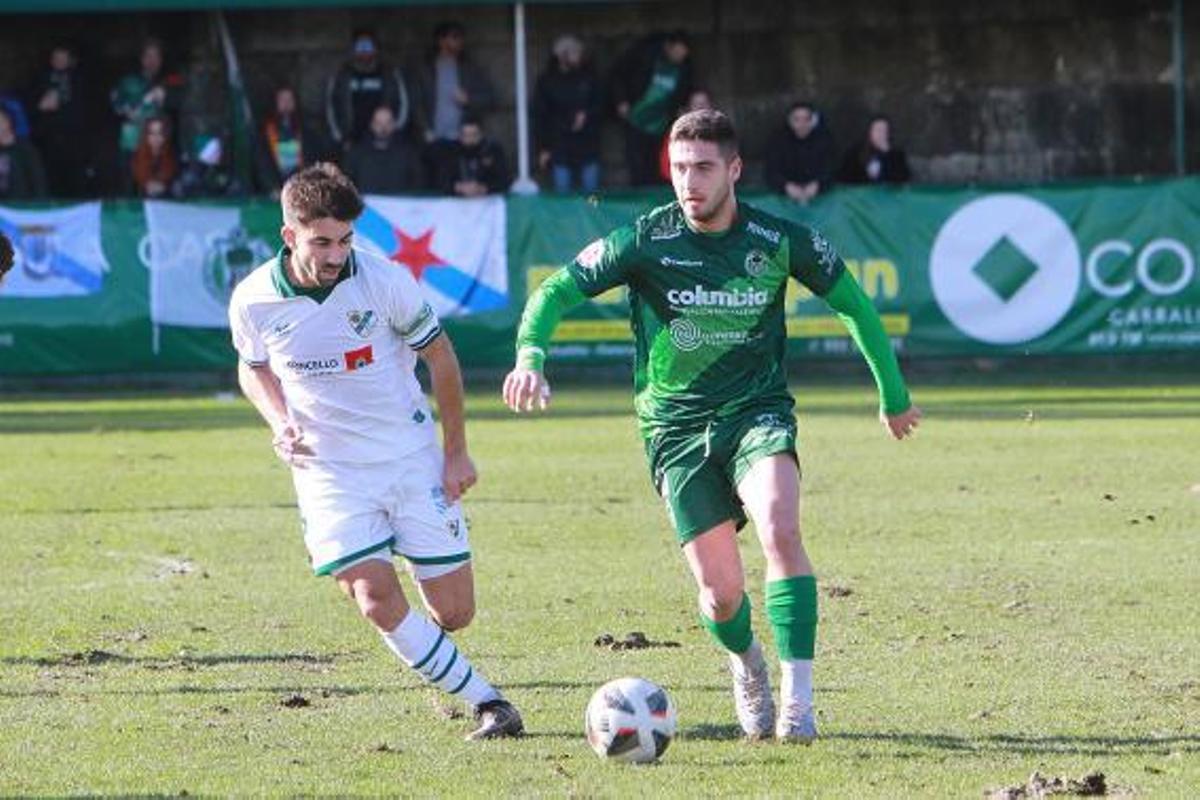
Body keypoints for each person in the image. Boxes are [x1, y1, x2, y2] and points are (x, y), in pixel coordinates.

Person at [503, 110, 920, 743]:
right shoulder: (645, 240)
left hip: (757, 412)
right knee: (721, 595)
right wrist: (530, 355)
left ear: (734, 169)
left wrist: (893, 395)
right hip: (675, 429)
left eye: (701, 168)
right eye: (678, 168)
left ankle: (799, 702)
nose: (688, 182)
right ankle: (747, 661)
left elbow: (855, 306)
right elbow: (554, 293)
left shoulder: (779, 240)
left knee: (781, 526)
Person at [228, 163, 522, 741]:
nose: (336, 255)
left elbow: (441, 358)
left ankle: (416, 569)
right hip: (328, 470)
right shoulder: (254, 299)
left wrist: (455, 453)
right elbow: (252, 365)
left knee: (453, 614)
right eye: (321, 242)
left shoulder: (384, 280)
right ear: (290, 236)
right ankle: (490, 703)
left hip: (409, 456)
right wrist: (279, 419)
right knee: (372, 594)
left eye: (344, 240)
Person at [610, 30, 693, 186]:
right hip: (636, 121)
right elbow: (618, 76)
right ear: (669, 46)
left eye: (684, 54)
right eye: (678, 51)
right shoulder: (645, 56)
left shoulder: (684, 67)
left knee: (660, 169)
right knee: (637, 168)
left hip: (662, 125)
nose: (680, 57)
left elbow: (684, 92)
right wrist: (621, 101)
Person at [110, 37, 185, 194]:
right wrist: (125, 109)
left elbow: (181, 99)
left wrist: (164, 95)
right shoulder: (129, 80)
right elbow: (115, 100)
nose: (152, 60)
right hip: (133, 141)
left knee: (160, 189)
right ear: (142, 58)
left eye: (156, 56)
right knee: (130, 185)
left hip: (160, 144)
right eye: (148, 56)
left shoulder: (171, 78)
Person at [532, 34, 603, 194]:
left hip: (588, 146)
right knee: (562, 194)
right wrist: (542, 147)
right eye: (573, 53)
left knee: (592, 196)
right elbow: (540, 116)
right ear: (561, 55)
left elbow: (600, 104)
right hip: (560, 147)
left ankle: (592, 217)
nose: (578, 57)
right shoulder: (547, 81)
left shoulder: (590, 77)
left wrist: (587, 115)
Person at [325, 29, 411, 153]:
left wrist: (395, 132)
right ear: (353, 49)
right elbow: (331, 105)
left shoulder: (389, 73)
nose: (364, 50)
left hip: (383, 138)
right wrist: (339, 137)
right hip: (351, 140)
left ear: (375, 49)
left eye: (368, 46)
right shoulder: (341, 75)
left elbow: (403, 104)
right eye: (360, 46)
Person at [413, 21, 495, 149]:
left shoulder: (470, 68)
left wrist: (468, 99)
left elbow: (489, 97)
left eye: (461, 37)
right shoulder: (424, 69)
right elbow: (416, 102)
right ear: (441, 40)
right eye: (455, 37)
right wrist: (425, 130)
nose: (460, 41)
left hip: (463, 140)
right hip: (432, 139)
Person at [30, 43, 93, 197]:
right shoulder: (41, 79)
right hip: (49, 140)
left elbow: (86, 109)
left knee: (76, 182)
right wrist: (40, 106)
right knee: (51, 180)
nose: (59, 61)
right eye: (56, 57)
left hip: (74, 140)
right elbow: (31, 106)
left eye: (63, 57)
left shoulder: (80, 80)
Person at [764, 102, 837, 204]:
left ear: (813, 121)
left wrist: (818, 184)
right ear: (790, 121)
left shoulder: (825, 140)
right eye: (797, 119)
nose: (802, 124)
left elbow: (832, 168)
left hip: (819, 199)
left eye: (806, 119)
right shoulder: (778, 141)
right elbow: (771, 171)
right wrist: (786, 186)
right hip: (785, 199)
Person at [256, 85, 321, 196]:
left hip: (302, 188)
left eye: (289, 100)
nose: (286, 104)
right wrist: (272, 186)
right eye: (282, 100)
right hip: (275, 189)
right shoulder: (265, 131)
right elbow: (262, 162)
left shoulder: (305, 129)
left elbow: (312, 158)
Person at [345, 105, 423, 195]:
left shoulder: (408, 154)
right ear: (372, 125)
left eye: (388, 123)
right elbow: (347, 184)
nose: (383, 128)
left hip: (399, 205)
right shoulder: (356, 154)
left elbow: (418, 183)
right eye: (378, 123)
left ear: (394, 124)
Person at [430, 117, 509, 197]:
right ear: (460, 136)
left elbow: (504, 180)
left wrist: (484, 188)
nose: (470, 140)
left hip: (487, 202)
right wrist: (459, 187)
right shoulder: (451, 151)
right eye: (466, 135)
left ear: (481, 134)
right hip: (456, 203)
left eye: (474, 135)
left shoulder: (492, 150)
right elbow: (440, 180)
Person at [838, 114, 912, 185]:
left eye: (884, 131)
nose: (881, 134)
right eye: (878, 130)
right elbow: (844, 178)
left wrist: (887, 155)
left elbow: (903, 180)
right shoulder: (854, 153)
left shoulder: (897, 155)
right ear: (870, 132)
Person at [658, 88, 713, 182]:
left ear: (711, 107)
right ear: (689, 109)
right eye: (696, 105)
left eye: (704, 104)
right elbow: (666, 168)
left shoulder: (722, 133)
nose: (701, 108)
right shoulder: (677, 134)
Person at [0, 107, 47, 200]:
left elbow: (39, 181)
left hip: (23, 206)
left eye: (1, 120)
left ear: (8, 121)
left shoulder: (25, 149)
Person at [130, 116, 177, 198]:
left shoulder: (173, 155)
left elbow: (172, 180)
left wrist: (164, 186)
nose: (156, 137)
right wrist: (147, 185)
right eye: (151, 133)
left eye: (160, 133)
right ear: (146, 135)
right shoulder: (136, 156)